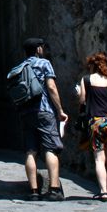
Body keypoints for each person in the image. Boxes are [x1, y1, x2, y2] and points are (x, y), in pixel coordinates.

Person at [15, 37, 68, 201]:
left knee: (31, 151)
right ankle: (53, 189)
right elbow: (51, 87)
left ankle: (34, 192)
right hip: (44, 110)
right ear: (38, 49)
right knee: (51, 149)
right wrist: (60, 110)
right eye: (42, 47)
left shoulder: (19, 67)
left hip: (26, 113)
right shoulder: (44, 63)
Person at [77, 51, 107, 201]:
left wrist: (79, 93)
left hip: (96, 122)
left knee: (99, 158)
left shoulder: (86, 80)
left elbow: (82, 100)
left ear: (92, 65)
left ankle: (103, 191)